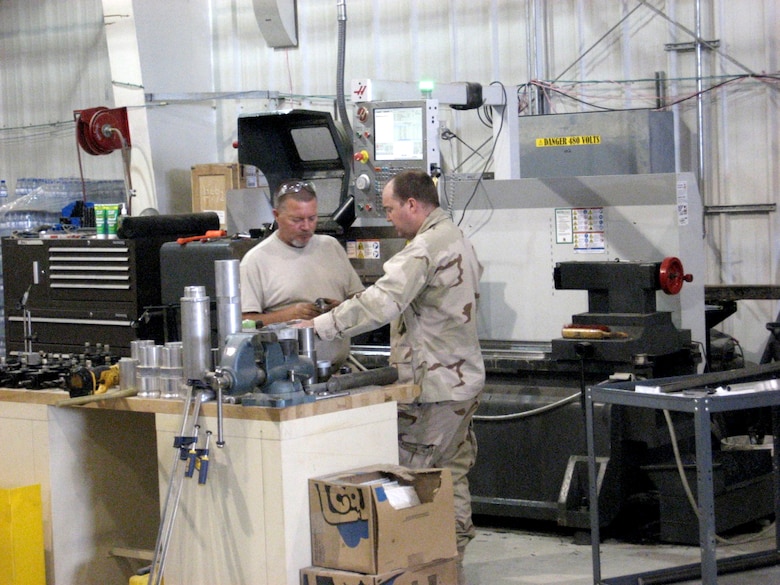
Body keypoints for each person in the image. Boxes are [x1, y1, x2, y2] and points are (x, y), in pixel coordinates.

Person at [301, 169, 485, 582]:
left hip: (435, 388)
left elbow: (382, 303)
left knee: (409, 478)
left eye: (390, 209)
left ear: (413, 205)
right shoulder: (458, 238)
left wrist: (321, 327)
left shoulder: (422, 249)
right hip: (463, 382)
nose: (389, 219)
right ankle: (449, 567)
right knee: (449, 476)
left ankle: (411, 565)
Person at [239, 178, 364, 366]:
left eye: (312, 218)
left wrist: (340, 308)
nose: (306, 227)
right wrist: (288, 315)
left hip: (338, 370)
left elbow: (361, 300)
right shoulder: (256, 260)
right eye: (296, 220)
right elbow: (244, 323)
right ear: (276, 215)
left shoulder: (331, 247)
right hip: (285, 375)